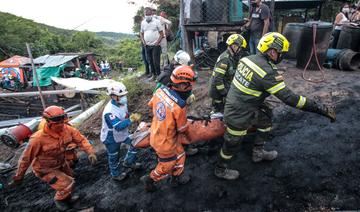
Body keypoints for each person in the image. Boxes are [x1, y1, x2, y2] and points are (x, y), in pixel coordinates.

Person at [214, 32, 336, 180]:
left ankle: (258, 153)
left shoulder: (247, 59)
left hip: (241, 103)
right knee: (232, 142)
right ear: (272, 51)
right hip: (238, 113)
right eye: (281, 53)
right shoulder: (267, 72)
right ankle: (220, 169)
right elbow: (291, 99)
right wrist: (318, 108)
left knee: (265, 118)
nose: (281, 56)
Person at [9, 106, 97, 211]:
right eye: (57, 123)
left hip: (61, 163)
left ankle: (67, 198)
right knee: (67, 183)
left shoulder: (67, 129)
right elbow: (25, 159)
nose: (61, 125)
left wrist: (90, 152)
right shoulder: (37, 139)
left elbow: (81, 140)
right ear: (48, 122)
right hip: (45, 169)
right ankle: (59, 200)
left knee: (71, 178)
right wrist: (18, 177)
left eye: (62, 121)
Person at [141, 65, 196, 192]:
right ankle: (150, 179)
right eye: (189, 85)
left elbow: (151, 105)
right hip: (165, 142)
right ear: (182, 85)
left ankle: (176, 177)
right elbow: (182, 128)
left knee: (181, 154)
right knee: (167, 165)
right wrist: (190, 133)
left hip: (159, 133)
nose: (191, 88)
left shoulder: (159, 91)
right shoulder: (179, 106)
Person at [154, 50, 199, 156]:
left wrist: (188, 95)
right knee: (174, 129)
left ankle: (183, 146)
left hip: (179, 104)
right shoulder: (166, 76)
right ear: (177, 63)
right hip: (171, 108)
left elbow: (186, 83)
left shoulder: (180, 71)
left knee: (180, 125)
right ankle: (175, 150)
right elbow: (157, 94)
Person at [100, 83, 142, 182]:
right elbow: (118, 126)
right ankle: (116, 174)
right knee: (114, 156)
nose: (124, 97)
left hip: (123, 132)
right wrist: (131, 120)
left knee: (135, 143)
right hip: (110, 137)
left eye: (124, 95)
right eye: (121, 96)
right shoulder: (109, 111)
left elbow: (125, 115)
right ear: (113, 96)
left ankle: (128, 162)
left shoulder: (122, 103)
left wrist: (130, 118)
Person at [209, 34, 248, 114]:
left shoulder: (232, 57)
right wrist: (224, 93)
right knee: (219, 111)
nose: (240, 50)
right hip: (217, 91)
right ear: (234, 46)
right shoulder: (225, 59)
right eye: (240, 47)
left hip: (224, 87)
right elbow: (218, 79)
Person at [140, 7, 164, 80]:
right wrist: (143, 42)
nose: (148, 15)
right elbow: (141, 33)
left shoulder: (157, 22)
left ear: (152, 14)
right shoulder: (143, 22)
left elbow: (161, 34)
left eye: (149, 14)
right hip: (147, 45)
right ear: (144, 14)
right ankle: (153, 75)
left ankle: (159, 76)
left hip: (155, 45)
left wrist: (157, 42)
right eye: (146, 14)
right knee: (150, 61)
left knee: (156, 61)